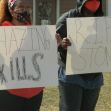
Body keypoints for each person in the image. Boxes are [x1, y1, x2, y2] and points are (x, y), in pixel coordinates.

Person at [56, 0, 104, 111]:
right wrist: (62, 45)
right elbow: (53, 42)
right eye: (88, 9)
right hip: (72, 76)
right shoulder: (67, 18)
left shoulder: (101, 20)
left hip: (94, 77)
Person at [0, 0, 43, 111]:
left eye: (27, 7)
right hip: (10, 92)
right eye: (21, 6)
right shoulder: (3, 29)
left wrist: (54, 44)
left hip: (34, 92)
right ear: (11, 9)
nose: (25, 9)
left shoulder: (35, 30)